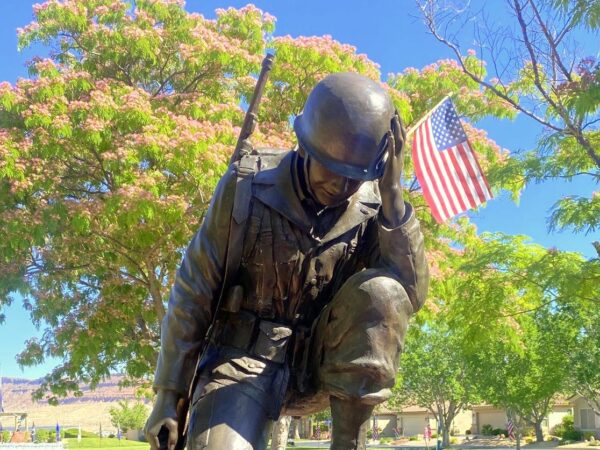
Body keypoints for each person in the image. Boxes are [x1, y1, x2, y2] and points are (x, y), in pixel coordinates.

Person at [144, 72, 429, 450]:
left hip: (319, 366)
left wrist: (392, 197)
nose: (343, 187)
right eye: (334, 169)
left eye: (356, 177)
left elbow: (410, 294)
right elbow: (195, 289)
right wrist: (169, 392)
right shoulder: (246, 185)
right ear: (304, 146)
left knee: (384, 292)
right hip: (241, 361)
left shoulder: (376, 208)